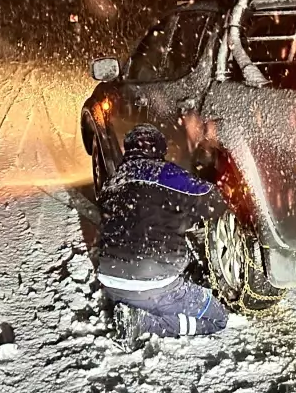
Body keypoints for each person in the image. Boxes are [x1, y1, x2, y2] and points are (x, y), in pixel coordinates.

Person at [96, 124, 228, 343]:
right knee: (218, 319)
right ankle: (145, 323)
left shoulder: (113, 182)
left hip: (111, 280)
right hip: (156, 282)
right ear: (159, 149)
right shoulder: (167, 174)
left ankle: (137, 308)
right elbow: (214, 202)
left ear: (128, 150)